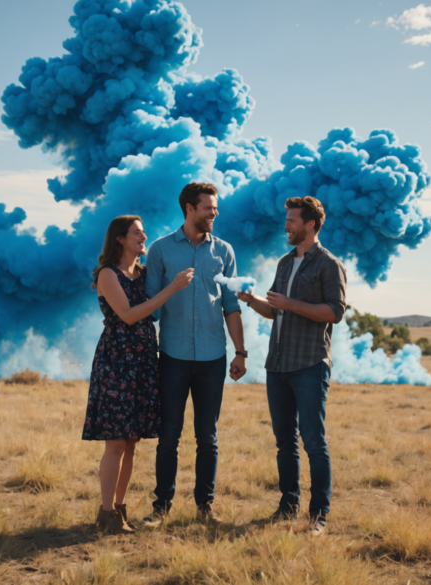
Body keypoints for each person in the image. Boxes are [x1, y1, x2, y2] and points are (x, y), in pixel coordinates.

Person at [237, 196, 346, 536]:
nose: (287, 224)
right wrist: (251, 300)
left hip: (310, 363)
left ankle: (319, 514)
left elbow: (335, 312)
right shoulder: (285, 263)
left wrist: (291, 304)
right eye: (286, 219)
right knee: (284, 441)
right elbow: (274, 310)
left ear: (311, 224)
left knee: (313, 441)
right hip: (278, 364)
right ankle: (288, 504)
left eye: (293, 220)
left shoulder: (329, 264)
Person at [142, 182, 248, 526]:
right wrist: (172, 288)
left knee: (208, 436)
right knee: (169, 434)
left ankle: (206, 507)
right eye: (208, 208)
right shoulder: (159, 250)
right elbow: (150, 308)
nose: (214, 213)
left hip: (213, 357)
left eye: (215, 208)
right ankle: (161, 507)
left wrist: (240, 352)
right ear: (189, 208)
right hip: (172, 356)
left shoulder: (225, 251)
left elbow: (231, 305)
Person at [84, 215, 194, 534]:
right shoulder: (108, 274)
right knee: (116, 443)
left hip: (143, 363)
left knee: (131, 442)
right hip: (117, 363)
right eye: (137, 233)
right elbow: (130, 316)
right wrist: (173, 287)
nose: (143, 237)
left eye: (143, 232)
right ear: (120, 238)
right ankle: (105, 514)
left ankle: (119, 510)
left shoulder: (144, 274)